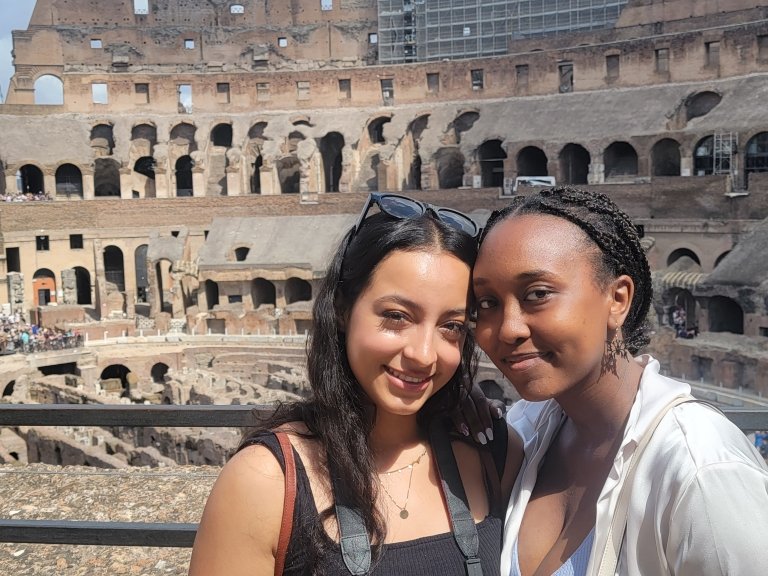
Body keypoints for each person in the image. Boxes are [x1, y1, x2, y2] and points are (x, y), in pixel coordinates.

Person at [189, 193, 521, 575]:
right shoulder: (265, 483)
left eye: (451, 326)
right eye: (397, 316)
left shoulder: (494, 454)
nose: (425, 354)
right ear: (343, 309)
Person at [470, 186, 768, 575]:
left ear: (618, 299)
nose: (507, 329)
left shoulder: (702, 469)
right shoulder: (524, 431)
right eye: (487, 303)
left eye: (537, 294)